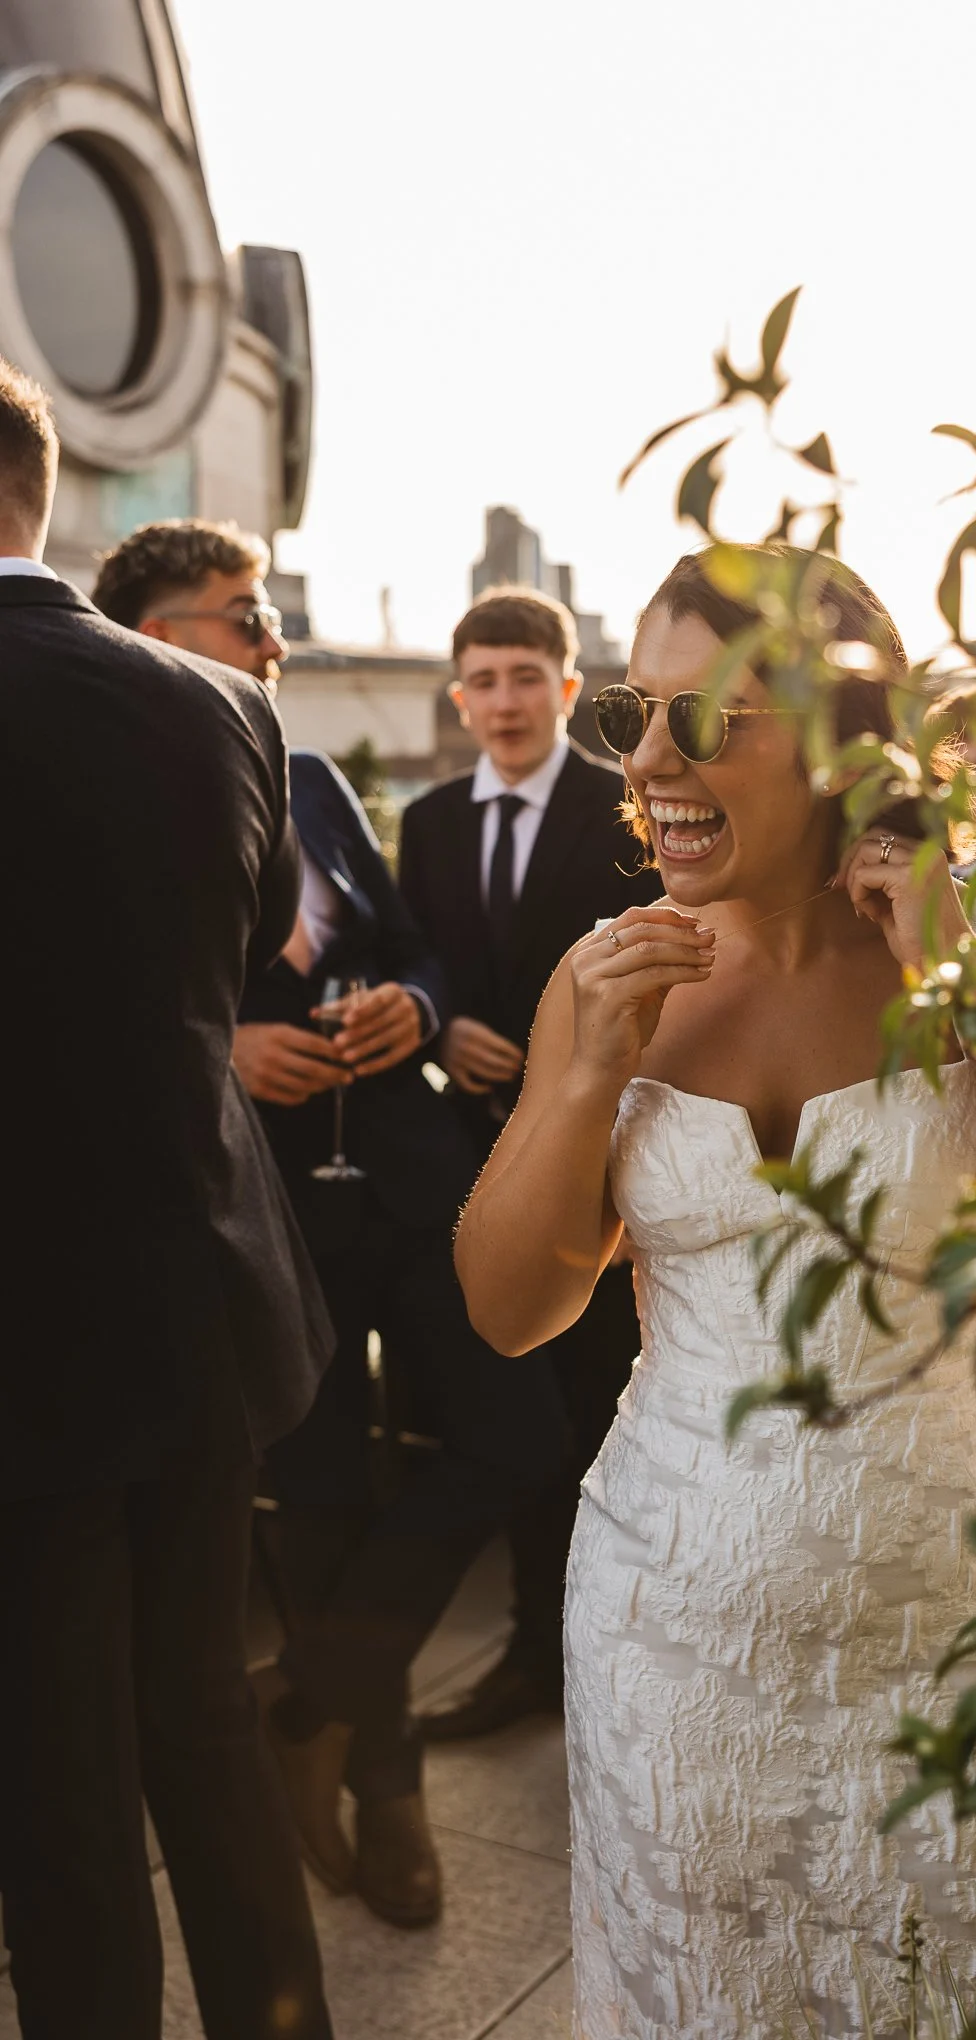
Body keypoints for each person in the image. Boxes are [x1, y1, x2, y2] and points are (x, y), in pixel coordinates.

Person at [454, 548, 976, 2031]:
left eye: (707, 719)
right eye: (636, 715)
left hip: (940, 1617)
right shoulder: (602, 979)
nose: (654, 766)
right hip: (665, 1625)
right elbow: (508, 1311)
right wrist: (583, 1084)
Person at [90, 521, 567, 1933]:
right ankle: (388, 1792)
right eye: (243, 619)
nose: (272, 638)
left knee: (517, 1435)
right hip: (262, 1207)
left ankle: (308, 1706)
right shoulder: (101, 788)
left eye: (271, 616)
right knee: (321, 1502)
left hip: (413, 1180)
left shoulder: (302, 770)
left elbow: (407, 945)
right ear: (157, 638)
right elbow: (88, 1006)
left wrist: (414, 1007)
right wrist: (224, 1048)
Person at [0, 367, 334, 2037]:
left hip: (21, 1343)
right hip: (198, 1297)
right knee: (203, 1724)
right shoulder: (223, 709)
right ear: (37, 495)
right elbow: (240, 951)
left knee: (59, 1794)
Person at [397, 588, 656, 1740]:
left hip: (601, 1162)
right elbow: (420, 961)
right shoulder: (432, 819)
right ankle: (533, 1656)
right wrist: (440, 1024)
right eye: (479, 682)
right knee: (511, 1418)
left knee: (598, 1414)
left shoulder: (630, 808)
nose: (499, 701)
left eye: (521, 678)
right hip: (470, 1155)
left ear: (563, 689)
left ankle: (586, 1653)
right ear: (458, 700)